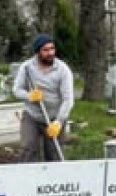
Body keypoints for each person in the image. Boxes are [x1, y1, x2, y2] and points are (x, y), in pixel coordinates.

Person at [13, 33, 74, 161]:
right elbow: (16, 90)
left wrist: (58, 122)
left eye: (52, 49)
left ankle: (55, 174)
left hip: (54, 118)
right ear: (38, 52)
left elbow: (68, 100)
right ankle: (29, 172)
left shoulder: (63, 70)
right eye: (45, 50)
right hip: (32, 116)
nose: (50, 53)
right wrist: (29, 96)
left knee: (54, 153)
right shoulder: (26, 68)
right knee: (28, 147)